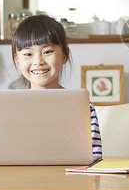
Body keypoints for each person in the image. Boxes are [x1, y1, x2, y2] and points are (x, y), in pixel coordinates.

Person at [11, 14, 102, 159]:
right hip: (23, 179)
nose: (38, 61)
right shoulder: (11, 108)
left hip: (70, 179)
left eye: (47, 52)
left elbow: (94, 157)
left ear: (65, 55)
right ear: (17, 61)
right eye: (28, 54)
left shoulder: (81, 106)